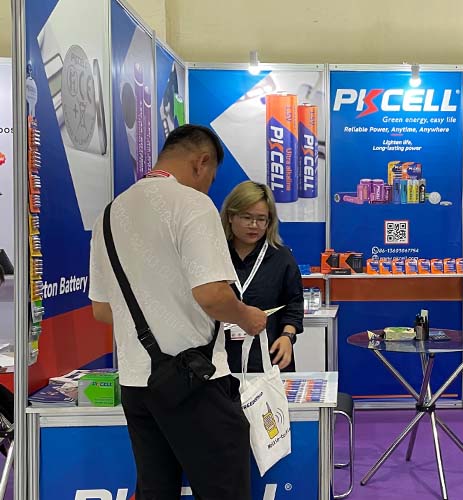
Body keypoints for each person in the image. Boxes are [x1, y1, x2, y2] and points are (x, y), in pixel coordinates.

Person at [88, 124, 267, 500]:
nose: (208, 188)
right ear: (202, 162)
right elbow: (212, 295)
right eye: (211, 178)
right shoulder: (193, 205)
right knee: (224, 491)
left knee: (156, 490)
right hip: (196, 383)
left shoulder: (109, 214)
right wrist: (246, 316)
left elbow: (102, 310)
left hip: (137, 383)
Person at [221, 181, 303, 372]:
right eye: (247, 217)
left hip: (269, 357)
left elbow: (294, 304)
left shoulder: (282, 257)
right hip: (221, 360)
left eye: (261, 219)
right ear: (231, 216)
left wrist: (287, 337)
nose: (254, 225)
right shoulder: (214, 255)